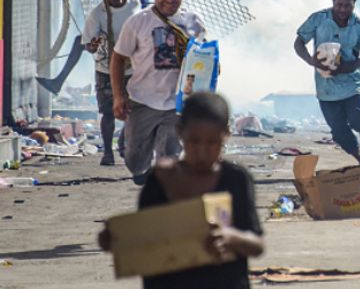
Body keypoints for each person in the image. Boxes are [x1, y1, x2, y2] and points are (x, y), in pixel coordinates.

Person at [98, 92, 264, 289]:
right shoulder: (160, 179)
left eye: (212, 142)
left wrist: (230, 237)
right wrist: (115, 238)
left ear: (226, 135)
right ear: (179, 133)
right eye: (194, 141)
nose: (202, 152)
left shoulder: (235, 180)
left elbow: (256, 244)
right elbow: (142, 236)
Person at [111, 0, 207, 185]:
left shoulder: (193, 22)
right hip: (143, 101)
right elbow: (118, 58)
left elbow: (203, 60)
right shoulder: (138, 22)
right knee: (135, 161)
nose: (170, 0)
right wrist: (118, 96)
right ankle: (130, 143)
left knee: (169, 157)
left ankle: (163, 196)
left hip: (177, 104)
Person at [294, 0, 360, 166]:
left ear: (354, 4)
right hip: (326, 88)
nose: (342, 9)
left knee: (357, 119)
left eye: (347, 5)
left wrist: (350, 66)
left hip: (351, 84)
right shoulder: (318, 19)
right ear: (332, 1)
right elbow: (299, 42)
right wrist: (311, 60)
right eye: (339, 5)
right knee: (338, 130)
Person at [83, 0, 141, 166]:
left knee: (134, 109)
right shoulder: (97, 14)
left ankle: (124, 142)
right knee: (108, 112)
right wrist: (94, 44)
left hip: (132, 67)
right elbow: (89, 46)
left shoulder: (135, 4)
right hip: (106, 69)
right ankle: (108, 152)